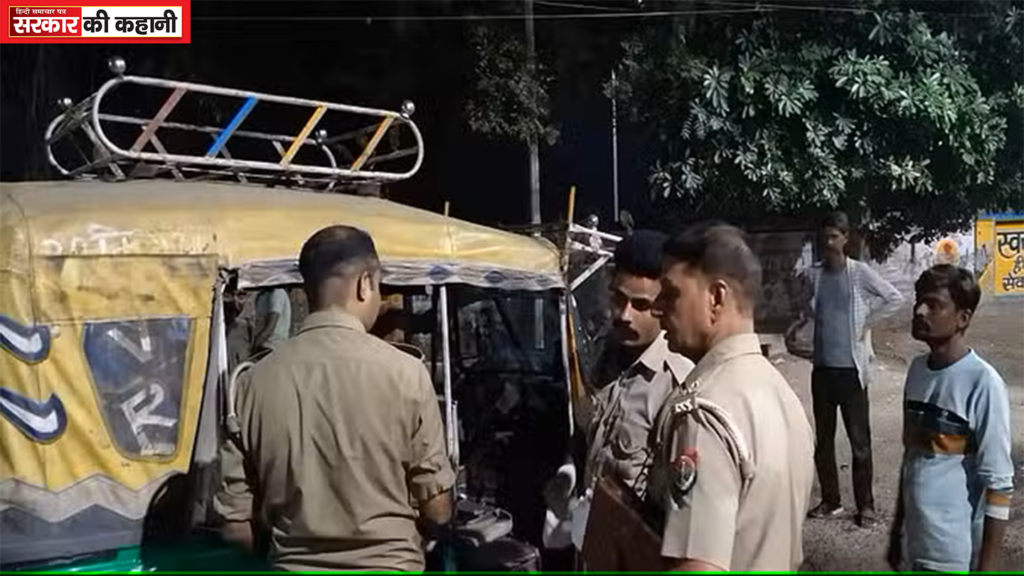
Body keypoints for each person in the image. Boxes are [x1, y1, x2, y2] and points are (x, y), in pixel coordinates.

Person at [212, 225, 455, 572]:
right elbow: (437, 510)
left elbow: (235, 529)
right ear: (365, 284)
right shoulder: (407, 373)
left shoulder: (252, 383)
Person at [648, 222, 814, 571]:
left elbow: (697, 566)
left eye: (671, 293)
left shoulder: (703, 412)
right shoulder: (783, 395)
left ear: (716, 298)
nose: (656, 307)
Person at [543, 231, 695, 552]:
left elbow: (683, 511)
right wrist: (568, 472)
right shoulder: (605, 356)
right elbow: (586, 432)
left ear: (664, 304)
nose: (625, 315)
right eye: (618, 298)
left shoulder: (678, 384)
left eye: (641, 305)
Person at [887, 265, 1013, 572]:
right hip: (915, 549)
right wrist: (897, 534)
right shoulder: (917, 370)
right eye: (919, 300)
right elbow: (911, 458)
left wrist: (984, 569)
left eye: (934, 304)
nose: (919, 310)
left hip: (953, 556)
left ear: (963, 318)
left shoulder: (983, 383)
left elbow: (999, 487)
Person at [799, 211, 903, 527]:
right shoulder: (813, 275)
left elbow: (894, 298)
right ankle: (831, 501)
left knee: (860, 444)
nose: (828, 242)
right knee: (824, 443)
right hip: (822, 371)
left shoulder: (858, 273)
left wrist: (865, 321)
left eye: (834, 236)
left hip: (852, 372)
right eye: (824, 236)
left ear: (845, 238)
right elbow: (805, 307)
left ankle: (865, 506)